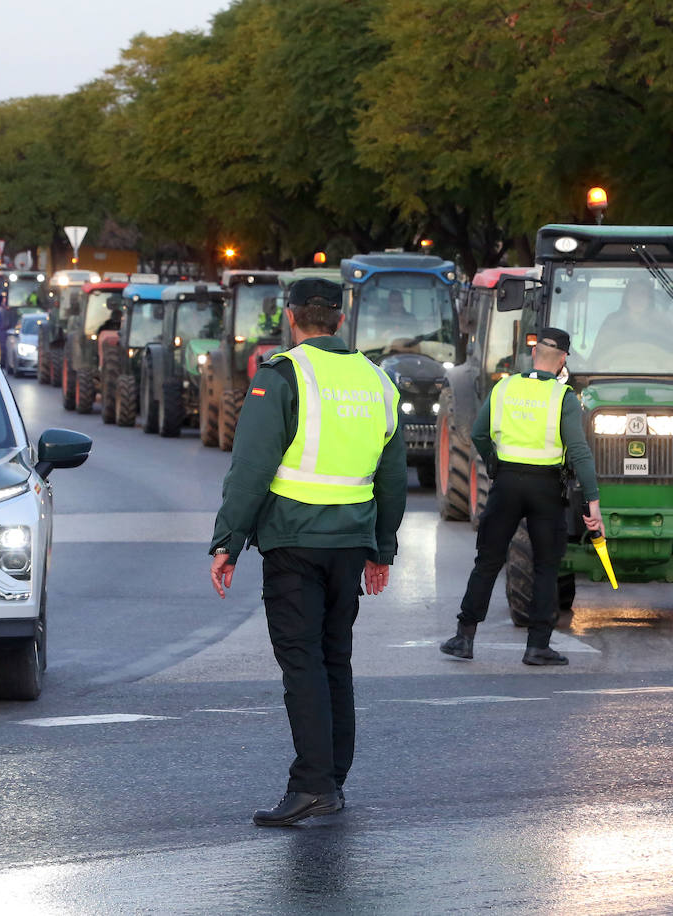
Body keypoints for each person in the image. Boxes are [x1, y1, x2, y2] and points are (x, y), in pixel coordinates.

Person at [209, 277, 407, 828]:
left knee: (302, 664)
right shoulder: (377, 380)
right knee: (333, 659)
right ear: (340, 321)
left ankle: (313, 785)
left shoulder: (284, 374)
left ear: (290, 318)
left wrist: (228, 542)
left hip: (295, 541)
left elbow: (250, 470)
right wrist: (381, 549)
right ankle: (333, 780)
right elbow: (393, 481)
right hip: (350, 543)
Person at [439, 328, 602, 666]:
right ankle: (537, 646)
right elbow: (580, 452)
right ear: (563, 361)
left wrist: (495, 465)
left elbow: (479, 434)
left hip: (507, 483)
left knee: (487, 561)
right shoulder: (564, 398)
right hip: (546, 489)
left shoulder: (505, 387)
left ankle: (464, 637)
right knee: (545, 566)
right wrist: (593, 502)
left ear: (534, 354)